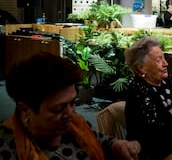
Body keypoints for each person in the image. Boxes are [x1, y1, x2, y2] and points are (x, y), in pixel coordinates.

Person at [0, 53, 140, 160]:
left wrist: (120, 146)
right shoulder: (7, 148)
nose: (70, 113)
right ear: (25, 110)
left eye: (73, 103)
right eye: (58, 109)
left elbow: (104, 141)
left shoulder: (77, 125)